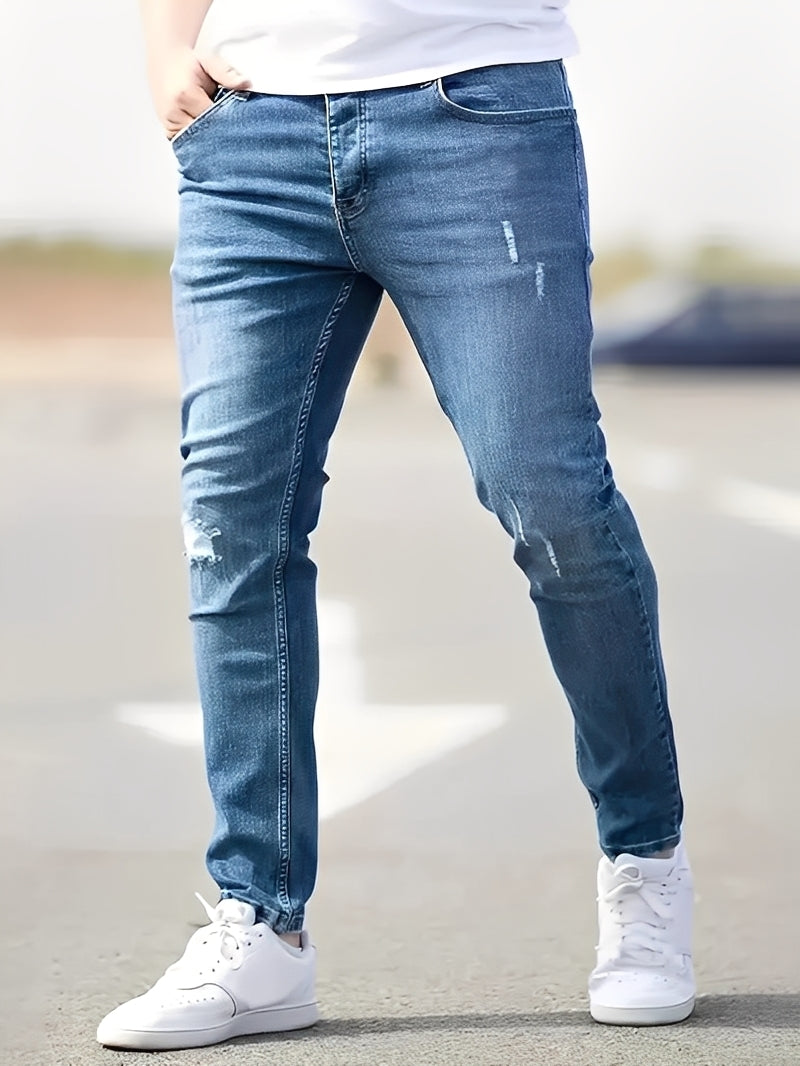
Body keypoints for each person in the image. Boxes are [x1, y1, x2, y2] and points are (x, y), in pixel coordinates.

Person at [97, 0, 695, 1050]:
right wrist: (163, 51)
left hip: (476, 114)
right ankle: (260, 921)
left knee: (548, 495)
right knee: (231, 523)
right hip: (250, 132)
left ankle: (644, 860)